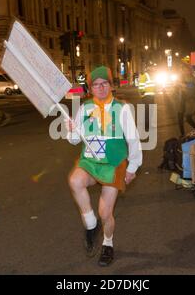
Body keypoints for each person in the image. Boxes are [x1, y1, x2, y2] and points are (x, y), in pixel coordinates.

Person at [66, 66, 142, 267]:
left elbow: (133, 140)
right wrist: (72, 130)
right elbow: (74, 140)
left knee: (105, 213)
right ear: (90, 88)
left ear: (110, 86)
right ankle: (91, 226)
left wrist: (132, 167)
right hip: (90, 162)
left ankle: (108, 243)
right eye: (96, 85)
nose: (100, 88)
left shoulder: (121, 109)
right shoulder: (85, 108)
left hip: (113, 163)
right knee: (75, 180)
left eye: (104, 83)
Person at [177, 64, 195, 137]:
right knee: (180, 118)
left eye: (184, 69)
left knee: (188, 118)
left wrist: (185, 85)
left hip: (189, 101)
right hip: (182, 101)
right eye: (182, 69)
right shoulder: (181, 77)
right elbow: (178, 87)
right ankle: (182, 134)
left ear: (188, 70)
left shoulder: (191, 77)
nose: (183, 70)